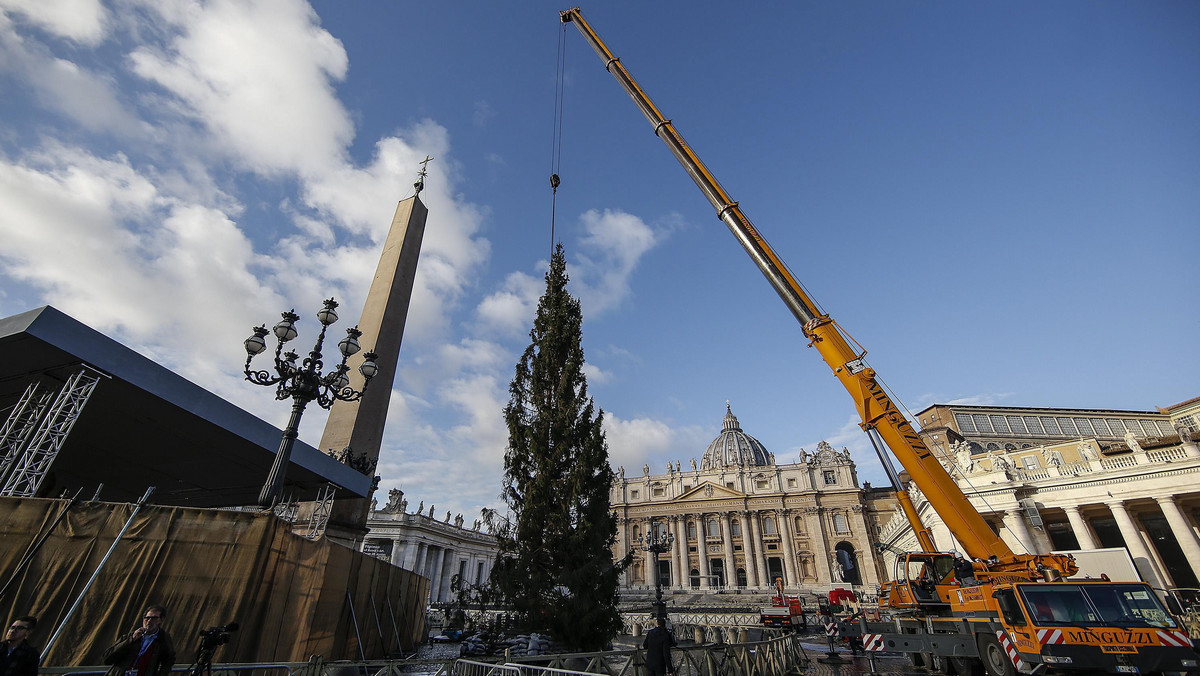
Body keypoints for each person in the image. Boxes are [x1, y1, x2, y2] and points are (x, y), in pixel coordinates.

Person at [103, 605, 176, 676]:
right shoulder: (131, 636)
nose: (149, 621)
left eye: (154, 618)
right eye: (147, 618)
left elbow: (169, 660)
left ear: (161, 620)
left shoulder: (163, 639)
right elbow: (107, 658)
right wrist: (131, 639)